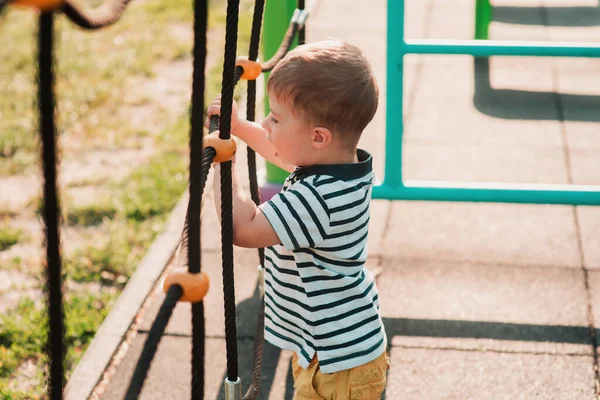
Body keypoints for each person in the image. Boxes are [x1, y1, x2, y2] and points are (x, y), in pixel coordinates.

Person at [208, 39, 388, 400]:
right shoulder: (339, 169)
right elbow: (282, 150)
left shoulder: (319, 198)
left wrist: (223, 159)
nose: (266, 122)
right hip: (329, 347)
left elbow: (242, 228)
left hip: (336, 362)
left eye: (275, 117)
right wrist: (240, 129)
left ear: (318, 137)